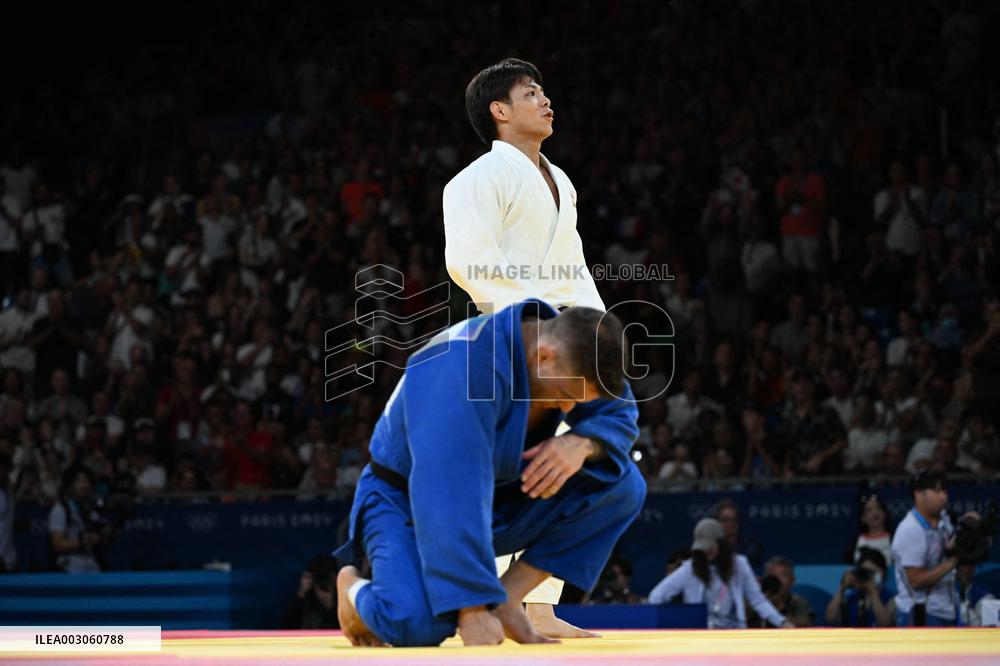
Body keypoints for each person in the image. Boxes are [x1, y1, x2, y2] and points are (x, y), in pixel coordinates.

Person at [333, 302, 644, 647]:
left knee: (623, 485)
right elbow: (446, 492)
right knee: (415, 625)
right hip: (404, 502)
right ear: (543, 356)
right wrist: (472, 609)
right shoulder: (463, 367)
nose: (570, 408)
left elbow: (619, 413)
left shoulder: (574, 348)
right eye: (565, 395)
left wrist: (583, 442)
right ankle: (353, 590)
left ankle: (508, 599)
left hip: (495, 495)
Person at [442, 58, 613, 636]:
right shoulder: (476, 179)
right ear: (500, 110)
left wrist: (595, 332)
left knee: (562, 467)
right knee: (502, 472)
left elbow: (573, 267)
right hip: (509, 338)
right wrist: (532, 323)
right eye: (531, 93)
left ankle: (538, 606)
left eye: (544, 91)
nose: (545, 100)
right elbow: (468, 262)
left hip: (562, 344)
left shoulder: (560, 181)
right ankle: (479, 604)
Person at [647, 518, 792, 629]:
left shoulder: (739, 564)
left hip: (733, 634)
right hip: (700, 636)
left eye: (709, 546)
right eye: (702, 548)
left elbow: (758, 600)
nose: (706, 551)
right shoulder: (690, 568)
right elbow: (656, 596)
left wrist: (781, 622)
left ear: (720, 543)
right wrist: (678, 622)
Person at [891, 470, 977, 626]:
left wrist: (969, 533)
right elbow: (915, 581)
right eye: (937, 491)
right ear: (919, 494)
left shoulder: (945, 522)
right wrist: (954, 560)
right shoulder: (911, 529)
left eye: (944, 491)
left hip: (948, 609)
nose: (943, 496)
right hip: (919, 613)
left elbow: (957, 565)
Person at [47, 466, 102, 573]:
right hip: (70, 568)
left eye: (87, 481)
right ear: (69, 485)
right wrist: (83, 542)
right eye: (79, 480)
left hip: (91, 565)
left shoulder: (90, 510)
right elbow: (57, 544)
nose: (84, 485)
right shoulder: (60, 509)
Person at [825, 547, 895, 627]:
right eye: (864, 571)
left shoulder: (890, 599)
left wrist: (872, 593)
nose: (868, 575)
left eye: (872, 572)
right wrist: (842, 588)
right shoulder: (852, 598)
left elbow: (886, 624)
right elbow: (830, 618)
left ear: (883, 573)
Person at [753, 556, 813, 627]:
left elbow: (804, 625)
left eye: (783, 575)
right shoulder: (756, 602)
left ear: (792, 580)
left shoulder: (799, 602)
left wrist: (777, 605)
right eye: (773, 576)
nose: (777, 580)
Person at [852, 495, 892, 565]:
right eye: (869, 510)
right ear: (863, 518)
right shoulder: (854, 543)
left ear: (884, 513)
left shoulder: (894, 539)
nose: (875, 513)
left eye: (878, 508)